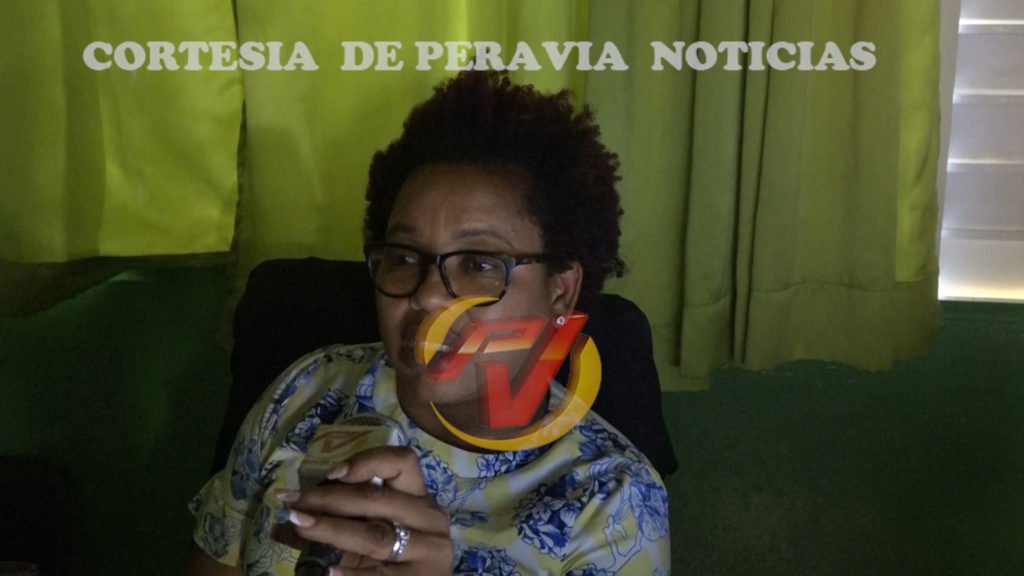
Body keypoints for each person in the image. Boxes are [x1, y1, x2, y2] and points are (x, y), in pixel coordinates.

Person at [186, 70, 670, 575]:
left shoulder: (614, 506)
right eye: (403, 257)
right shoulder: (309, 391)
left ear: (560, 290)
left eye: (479, 263)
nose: (428, 295)